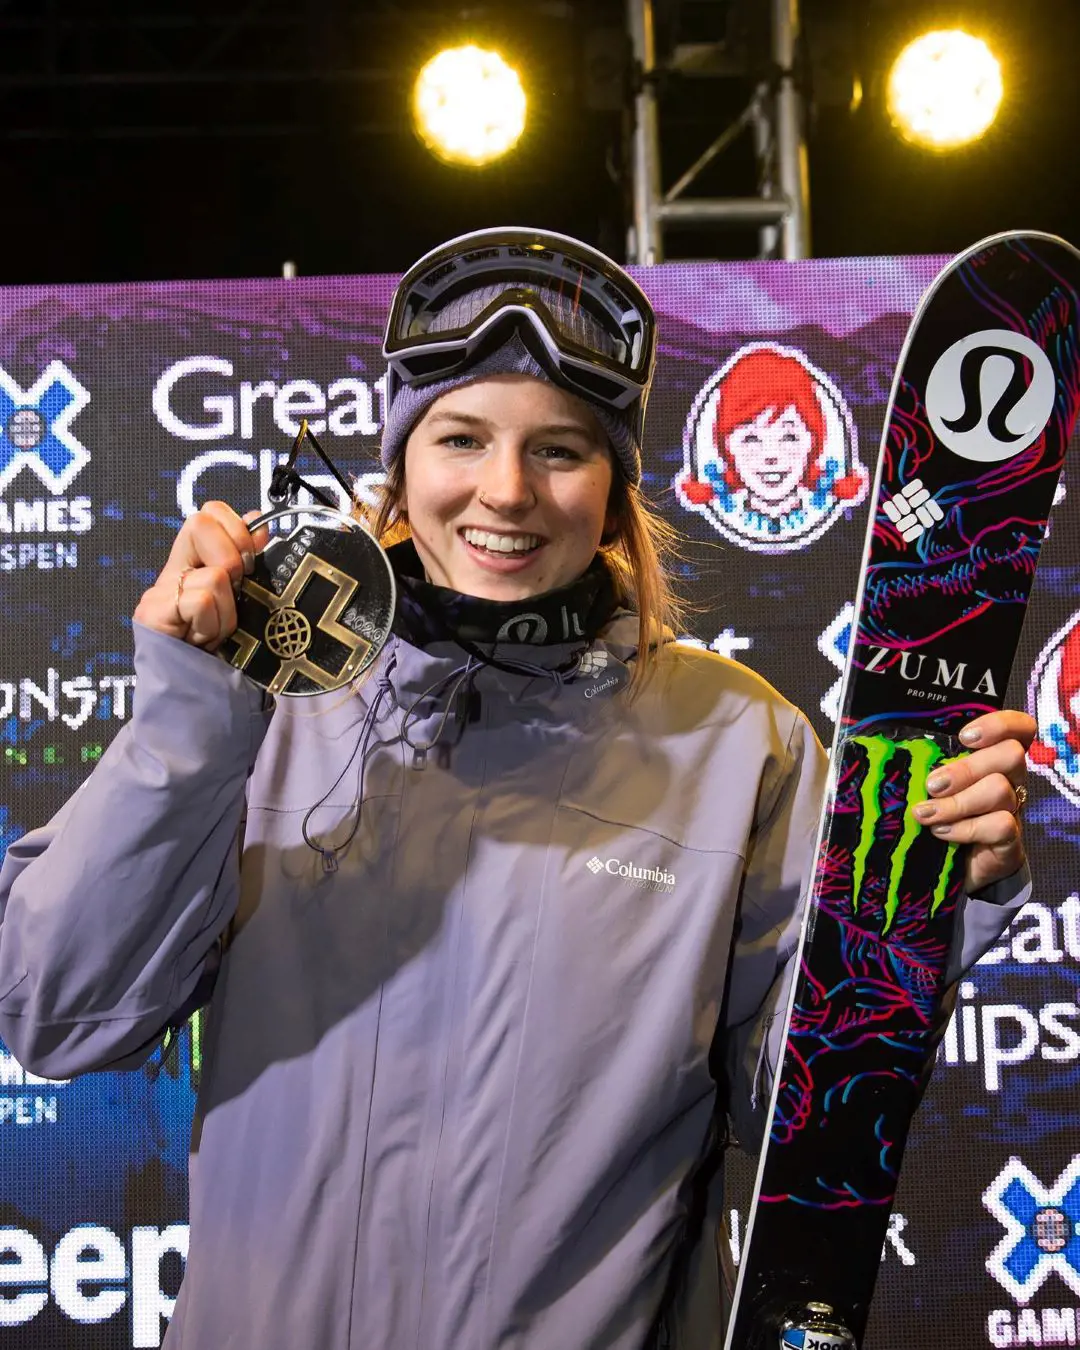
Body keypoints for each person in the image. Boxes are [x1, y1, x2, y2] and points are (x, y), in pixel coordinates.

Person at [0, 228, 1034, 1350]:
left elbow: (800, 1115)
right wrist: (192, 715)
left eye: (560, 450)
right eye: (461, 437)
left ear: (615, 484)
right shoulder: (265, 708)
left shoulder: (741, 744)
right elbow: (58, 1013)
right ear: (401, 462)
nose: (506, 492)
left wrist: (924, 907)